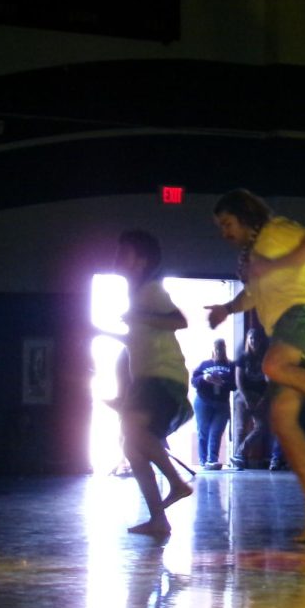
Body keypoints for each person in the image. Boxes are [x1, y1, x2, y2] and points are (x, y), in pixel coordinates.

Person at [206, 189, 305, 542]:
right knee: (280, 418)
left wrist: (272, 264)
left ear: (245, 216)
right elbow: (254, 293)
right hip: (285, 326)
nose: (224, 232)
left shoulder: (275, 230)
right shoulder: (252, 254)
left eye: (227, 223)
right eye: (220, 226)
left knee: (272, 364)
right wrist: (227, 309)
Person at [109, 229, 195, 536]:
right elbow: (138, 336)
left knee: (131, 431)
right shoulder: (137, 295)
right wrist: (103, 334)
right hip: (147, 379)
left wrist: (141, 316)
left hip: (163, 377)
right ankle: (159, 519)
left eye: (124, 253)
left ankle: (176, 482)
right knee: (133, 447)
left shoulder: (151, 291)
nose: (117, 258)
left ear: (141, 261)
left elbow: (178, 320)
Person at [233, 326, 284, 470]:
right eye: (251, 338)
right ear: (247, 340)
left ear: (262, 341)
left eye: (257, 338)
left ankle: (240, 453)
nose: (254, 341)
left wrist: (263, 399)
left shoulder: (267, 359)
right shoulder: (243, 357)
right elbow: (239, 380)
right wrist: (246, 398)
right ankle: (239, 461)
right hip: (243, 395)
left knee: (262, 426)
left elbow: (270, 382)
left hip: (260, 396)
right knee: (241, 427)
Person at [191, 338, 236, 470]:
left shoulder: (231, 366)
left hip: (221, 403)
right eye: (217, 348)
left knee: (216, 431)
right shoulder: (204, 364)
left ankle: (212, 460)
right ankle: (204, 461)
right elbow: (194, 381)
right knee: (203, 430)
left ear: (225, 349)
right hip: (203, 400)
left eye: (221, 348)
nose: (219, 351)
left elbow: (235, 384)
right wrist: (205, 378)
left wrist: (222, 382)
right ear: (213, 350)